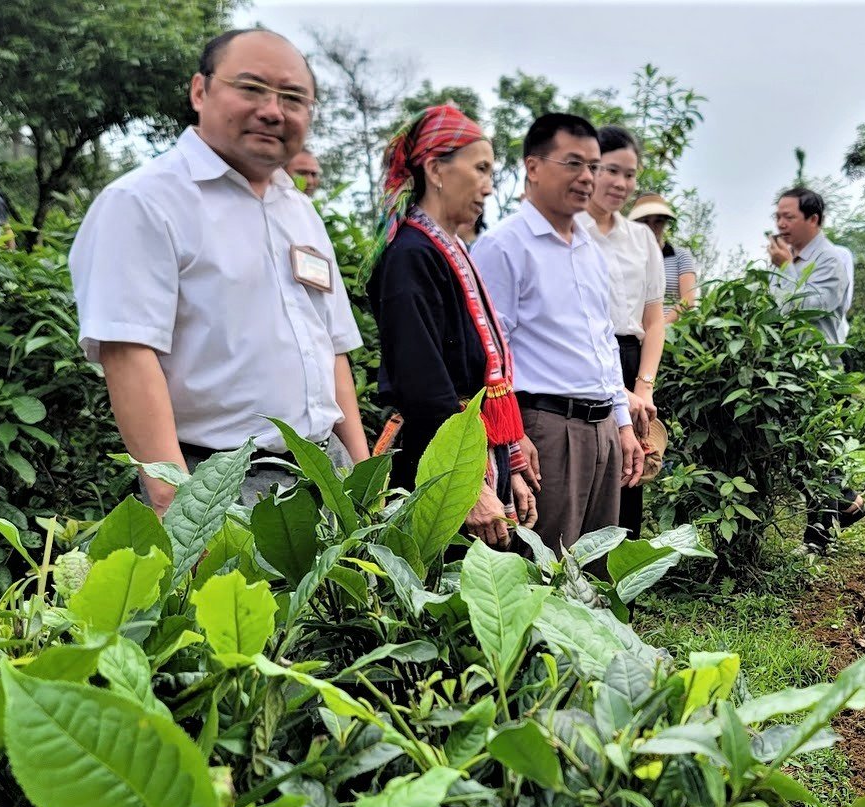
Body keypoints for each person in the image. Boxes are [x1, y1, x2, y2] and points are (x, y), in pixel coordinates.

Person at [70, 28, 369, 513]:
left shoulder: (301, 211)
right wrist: (180, 509)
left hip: (324, 472)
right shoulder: (143, 202)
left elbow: (332, 348)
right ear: (199, 91)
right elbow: (128, 354)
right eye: (251, 88)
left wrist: (361, 481)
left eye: (294, 98)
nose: (274, 110)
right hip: (216, 483)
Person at [471, 113, 643, 562]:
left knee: (592, 569)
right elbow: (489, 352)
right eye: (573, 163)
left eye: (593, 165)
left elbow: (604, 342)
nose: (587, 177)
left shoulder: (588, 249)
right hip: (545, 429)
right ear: (533, 167)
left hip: (602, 426)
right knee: (542, 569)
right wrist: (508, 440)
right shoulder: (504, 246)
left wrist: (622, 423)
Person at [365, 104, 537, 548]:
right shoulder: (410, 256)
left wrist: (508, 457)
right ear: (437, 169)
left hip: (468, 445)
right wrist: (467, 485)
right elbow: (422, 384)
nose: (488, 185)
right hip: (438, 454)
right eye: (480, 169)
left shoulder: (450, 248)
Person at [576, 126, 664, 539]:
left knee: (630, 473)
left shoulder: (641, 238)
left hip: (630, 361)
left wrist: (643, 387)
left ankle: (620, 589)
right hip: (579, 363)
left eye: (629, 175)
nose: (620, 184)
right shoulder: (568, 229)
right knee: (584, 471)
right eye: (611, 170)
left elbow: (653, 319)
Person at [768, 186, 865, 553]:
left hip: (819, 368)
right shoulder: (789, 257)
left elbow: (815, 306)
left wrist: (784, 269)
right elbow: (774, 309)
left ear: (813, 219)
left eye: (788, 217)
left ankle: (818, 536)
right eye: (777, 216)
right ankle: (848, 500)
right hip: (789, 368)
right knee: (798, 452)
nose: (780, 224)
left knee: (812, 452)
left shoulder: (830, 259)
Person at [629, 192, 698, 323]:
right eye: (645, 221)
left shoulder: (680, 256)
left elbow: (688, 299)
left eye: (658, 221)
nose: (652, 227)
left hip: (674, 332)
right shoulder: (629, 260)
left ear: (665, 223)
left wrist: (660, 329)